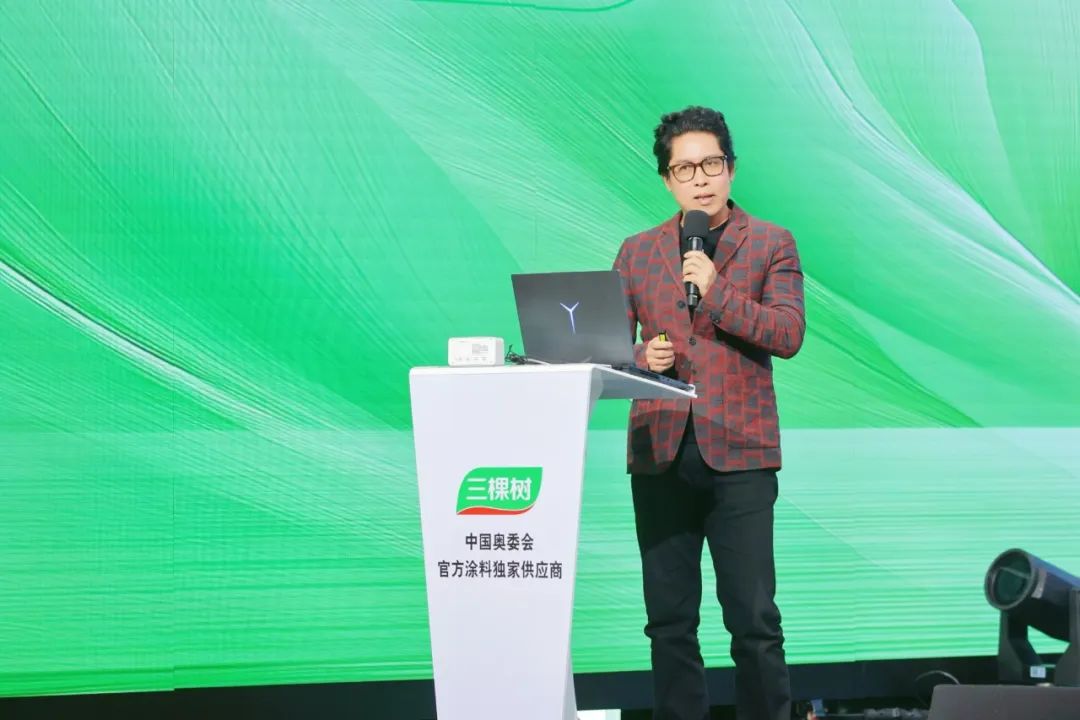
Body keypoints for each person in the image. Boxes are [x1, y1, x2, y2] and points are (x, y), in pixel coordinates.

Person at [612, 106, 806, 720]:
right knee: (669, 622)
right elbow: (608, 348)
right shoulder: (637, 252)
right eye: (685, 168)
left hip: (741, 451)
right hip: (660, 452)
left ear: (732, 168)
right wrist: (643, 356)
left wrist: (718, 292)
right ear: (666, 179)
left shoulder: (771, 242)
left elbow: (788, 333)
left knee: (753, 621)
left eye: (712, 164)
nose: (700, 179)